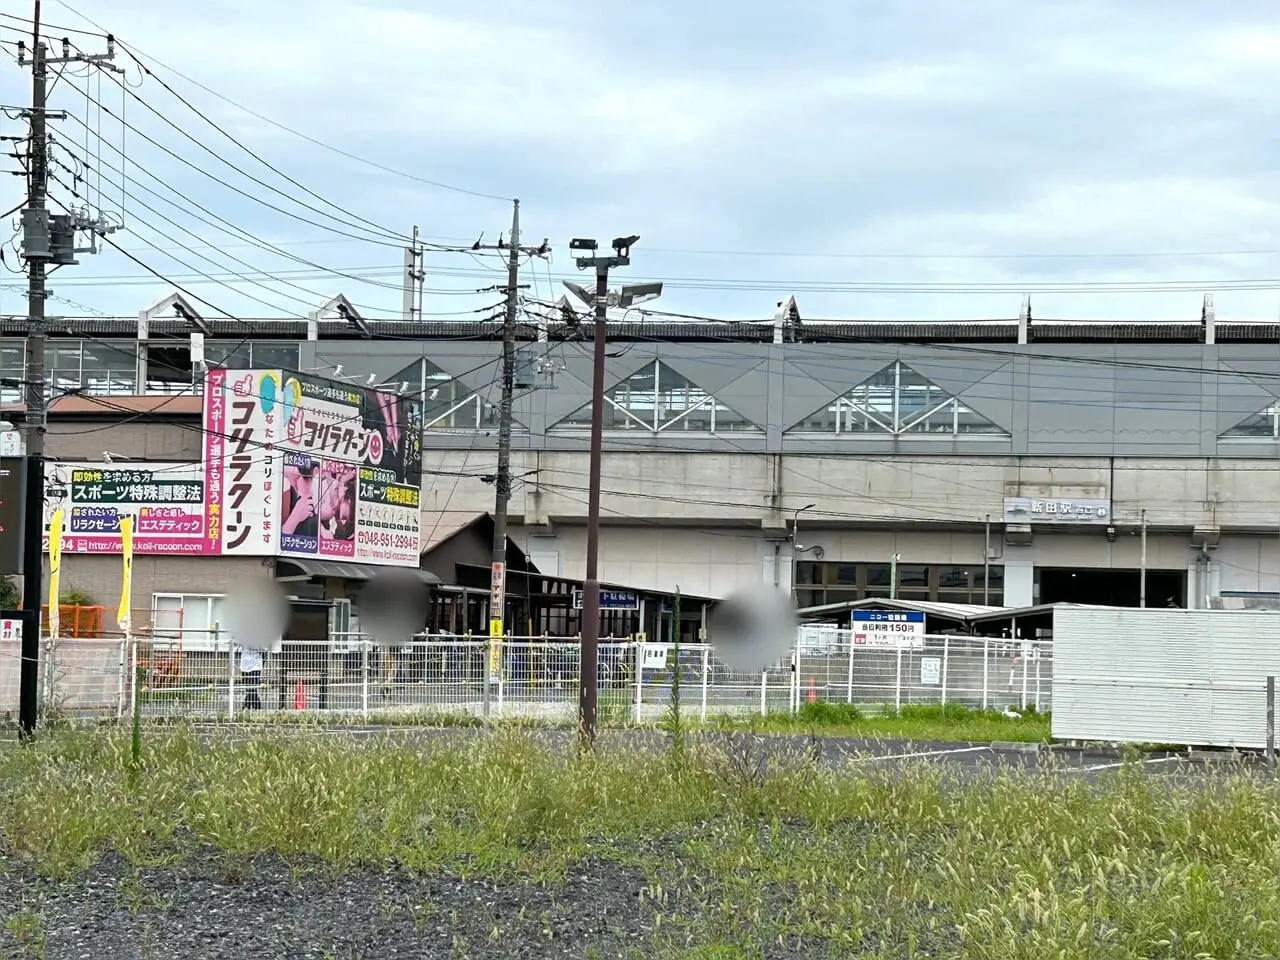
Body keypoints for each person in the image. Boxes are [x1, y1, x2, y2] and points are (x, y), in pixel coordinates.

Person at [239, 645, 263, 710]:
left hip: (256, 666)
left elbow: (264, 648)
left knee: (253, 688)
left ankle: (252, 706)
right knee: (247, 687)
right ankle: (249, 705)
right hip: (244, 665)